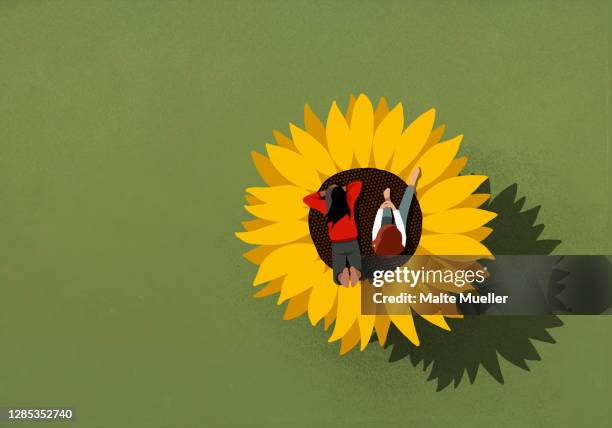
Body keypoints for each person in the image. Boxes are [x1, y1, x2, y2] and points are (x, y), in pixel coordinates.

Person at [303, 181, 363, 287]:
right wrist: (343, 188)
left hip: (337, 244)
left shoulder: (325, 206)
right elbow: (358, 184)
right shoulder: (349, 199)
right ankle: (355, 271)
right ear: (341, 193)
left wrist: (323, 193)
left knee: (338, 272)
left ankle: (341, 275)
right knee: (358, 268)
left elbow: (307, 199)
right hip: (352, 241)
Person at [371, 167, 420, 256]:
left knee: (385, 216)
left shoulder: (376, 244)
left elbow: (376, 226)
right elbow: (400, 224)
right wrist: (394, 209)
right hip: (396, 231)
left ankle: (387, 198)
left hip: (385, 229)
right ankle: (412, 184)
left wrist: (380, 209)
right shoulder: (402, 243)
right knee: (404, 210)